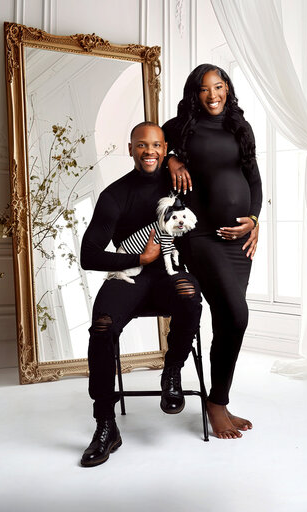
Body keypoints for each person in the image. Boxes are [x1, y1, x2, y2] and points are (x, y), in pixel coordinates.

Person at [80, 122, 202, 466]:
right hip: (129, 277)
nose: (150, 151)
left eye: (157, 145)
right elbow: (88, 255)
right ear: (131, 148)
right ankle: (105, 424)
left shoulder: (179, 183)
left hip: (167, 277)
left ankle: (172, 370)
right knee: (102, 326)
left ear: (165, 148)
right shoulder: (115, 195)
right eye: (142, 145)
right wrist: (139, 258)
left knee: (190, 295)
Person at [162, 64, 262, 439]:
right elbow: (148, 154)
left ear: (227, 88)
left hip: (238, 241)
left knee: (228, 320)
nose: (213, 94)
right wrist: (172, 159)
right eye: (204, 89)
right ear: (194, 93)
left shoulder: (240, 126)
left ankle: (219, 400)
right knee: (237, 315)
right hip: (199, 234)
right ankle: (216, 405)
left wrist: (254, 219)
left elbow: (254, 180)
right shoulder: (178, 127)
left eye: (218, 86)